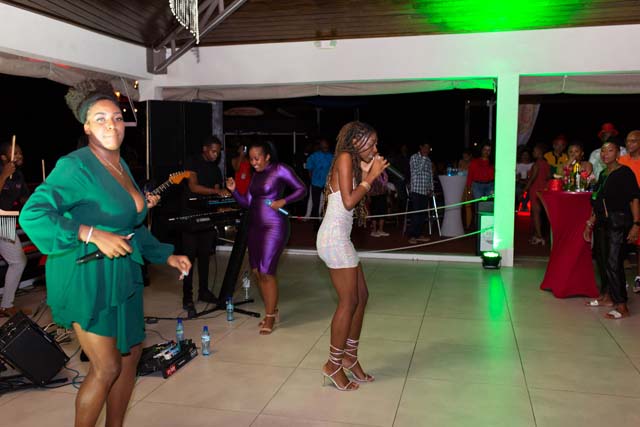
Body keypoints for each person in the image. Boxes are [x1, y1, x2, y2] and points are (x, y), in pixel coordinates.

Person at [19, 80, 191, 427]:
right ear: (86, 126)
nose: (111, 125)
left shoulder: (121, 166)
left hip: (122, 273)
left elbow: (130, 226)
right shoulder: (75, 166)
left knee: (130, 357)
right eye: (100, 119)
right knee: (107, 366)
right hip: (85, 274)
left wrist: (165, 255)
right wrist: (91, 233)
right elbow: (32, 214)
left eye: (116, 118)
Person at [316, 121, 388, 391]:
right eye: (372, 143)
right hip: (333, 238)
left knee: (362, 297)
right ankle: (333, 364)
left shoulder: (352, 162)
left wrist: (369, 173)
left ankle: (349, 357)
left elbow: (357, 194)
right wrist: (370, 177)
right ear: (356, 142)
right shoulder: (345, 157)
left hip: (340, 237)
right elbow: (348, 201)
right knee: (348, 301)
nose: (375, 148)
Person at [226, 141, 306, 334]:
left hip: (274, 226)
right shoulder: (255, 176)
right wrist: (234, 190)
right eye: (251, 159)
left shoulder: (280, 169)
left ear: (267, 156)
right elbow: (247, 203)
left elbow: (301, 189)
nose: (253, 162)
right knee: (256, 271)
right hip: (254, 227)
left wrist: (283, 201)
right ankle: (273, 309)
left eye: (257, 158)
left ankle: (269, 316)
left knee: (266, 271)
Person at [583, 142, 640, 319]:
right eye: (603, 151)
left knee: (614, 262)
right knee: (602, 259)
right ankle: (607, 296)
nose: (605, 154)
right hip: (602, 222)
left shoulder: (625, 173)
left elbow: (634, 199)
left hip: (619, 222)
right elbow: (598, 200)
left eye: (610, 150)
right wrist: (590, 223)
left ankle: (622, 305)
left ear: (617, 154)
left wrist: (636, 224)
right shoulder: (603, 173)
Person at [181, 136, 230, 313]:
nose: (216, 155)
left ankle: (204, 291)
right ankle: (187, 297)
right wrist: (216, 191)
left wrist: (221, 203)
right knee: (188, 259)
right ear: (205, 148)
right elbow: (193, 187)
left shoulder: (216, 170)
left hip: (207, 217)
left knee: (204, 257)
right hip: (190, 217)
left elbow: (216, 194)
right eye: (213, 151)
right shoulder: (192, 161)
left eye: (218, 152)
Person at [0, 142, 29, 317]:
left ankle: (6, 305)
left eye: (20, 152)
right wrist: (4, 175)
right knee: (18, 261)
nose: (19, 155)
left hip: (5, 220)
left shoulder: (18, 176)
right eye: (15, 153)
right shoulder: (2, 171)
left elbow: (26, 200)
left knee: (18, 261)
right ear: (4, 158)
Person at [618, 130, 640, 293]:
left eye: (633, 141)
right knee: (620, 244)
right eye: (627, 141)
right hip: (624, 207)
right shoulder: (622, 160)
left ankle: (639, 278)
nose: (629, 144)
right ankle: (620, 279)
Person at [524, 143, 550, 245]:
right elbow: (548, 176)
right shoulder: (546, 163)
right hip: (544, 189)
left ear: (539, 152)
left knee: (535, 214)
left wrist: (524, 190)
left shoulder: (536, 164)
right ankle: (537, 235)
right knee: (541, 213)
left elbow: (532, 178)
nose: (533, 153)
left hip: (535, 189)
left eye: (534, 151)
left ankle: (539, 236)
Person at [408, 143, 433, 244]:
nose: (427, 149)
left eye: (428, 148)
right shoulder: (414, 157)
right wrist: (423, 158)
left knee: (422, 215)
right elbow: (417, 171)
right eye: (425, 147)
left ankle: (418, 235)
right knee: (416, 214)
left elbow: (430, 175)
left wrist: (431, 188)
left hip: (425, 191)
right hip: (416, 190)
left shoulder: (429, 160)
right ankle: (412, 236)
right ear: (421, 147)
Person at [306, 138, 333, 224]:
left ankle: (323, 220)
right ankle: (315, 222)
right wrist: (311, 179)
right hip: (315, 182)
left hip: (326, 183)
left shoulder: (331, 156)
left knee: (325, 202)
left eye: (326, 145)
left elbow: (333, 170)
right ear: (320, 146)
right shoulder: (314, 156)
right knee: (315, 203)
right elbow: (309, 168)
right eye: (323, 145)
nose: (325, 147)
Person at [368, 170, 389, 237]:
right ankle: (374, 231)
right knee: (374, 212)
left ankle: (380, 230)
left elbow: (385, 183)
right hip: (374, 194)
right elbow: (368, 183)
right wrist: (368, 195)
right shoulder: (372, 170)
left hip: (383, 194)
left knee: (383, 211)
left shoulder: (383, 172)